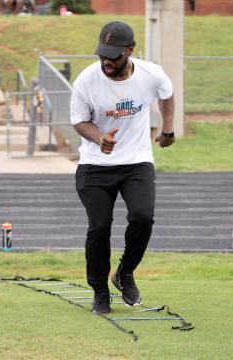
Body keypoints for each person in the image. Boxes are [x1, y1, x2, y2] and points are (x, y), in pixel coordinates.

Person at [69, 21, 175, 314]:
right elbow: (79, 120)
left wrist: (167, 129)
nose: (106, 61)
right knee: (100, 228)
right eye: (102, 54)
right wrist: (99, 137)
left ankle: (125, 273)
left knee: (143, 217)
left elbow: (167, 94)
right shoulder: (86, 81)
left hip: (136, 161)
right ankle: (100, 292)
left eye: (113, 56)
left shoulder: (150, 74)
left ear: (129, 50)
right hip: (95, 165)